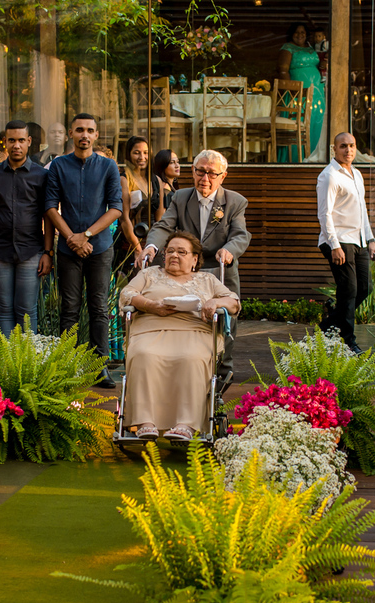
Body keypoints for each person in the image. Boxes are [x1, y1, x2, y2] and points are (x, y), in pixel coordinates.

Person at [119, 231, 240, 440]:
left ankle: (186, 425)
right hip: (150, 328)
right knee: (143, 355)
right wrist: (150, 305)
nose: (174, 255)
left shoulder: (207, 279)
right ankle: (145, 423)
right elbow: (127, 294)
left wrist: (215, 302)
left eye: (182, 252)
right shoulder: (149, 274)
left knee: (191, 358)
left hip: (195, 330)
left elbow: (234, 302)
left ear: (195, 259)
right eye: (170, 251)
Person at [142, 149, 250, 380]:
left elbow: (241, 235)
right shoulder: (180, 198)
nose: (205, 179)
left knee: (225, 316)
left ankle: (223, 369)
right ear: (193, 171)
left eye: (212, 174)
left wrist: (229, 250)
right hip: (187, 270)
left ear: (223, 176)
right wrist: (151, 246)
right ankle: (184, 364)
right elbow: (164, 226)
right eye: (200, 171)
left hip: (220, 265)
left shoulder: (235, 202)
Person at [45, 113, 123, 388]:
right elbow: (50, 207)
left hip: (100, 248)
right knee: (69, 309)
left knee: (99, 307)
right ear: (71, 133)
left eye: (90, 130)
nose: (84, 135)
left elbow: (116, 208)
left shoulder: (108, 166)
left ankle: (99, 367)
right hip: (68, 250)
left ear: (96, 135)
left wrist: (86, 235)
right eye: (79, 130)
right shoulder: (58, 166)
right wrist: (72, 239)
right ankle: (68, 366)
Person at [0, 120, 53, 336]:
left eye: (21, 140)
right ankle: (6, 364)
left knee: (27, 312)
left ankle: (28, 365)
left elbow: (48, 216)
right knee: (4, 310)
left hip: (31, 251)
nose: (16, 145)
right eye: (11, 140)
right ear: (5, 143)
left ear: (29, 142)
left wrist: (47, 252)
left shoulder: (41, 175)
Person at [316, 132, 374, 354]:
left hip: (358, 240)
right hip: (339, 240)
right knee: (349, 290)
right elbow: (325, 214)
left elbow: (363, 211)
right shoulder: (329, 176)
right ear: (334, 149)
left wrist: (370, 240)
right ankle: (348, 342)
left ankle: (330, 322)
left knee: (365, 288)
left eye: (352, 146)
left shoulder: (356, 174)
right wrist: (334, 245)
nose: (348, 150)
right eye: (343, 146)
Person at [278, 22, 326, 160]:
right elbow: (282, 70)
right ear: (291, 34)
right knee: (299, 125)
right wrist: (291, 90)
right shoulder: (287, 48)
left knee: (316, 123)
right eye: (297, 32)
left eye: (303, 32)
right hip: (297, 95)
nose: (300, 35)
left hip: (317, 94)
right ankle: (296, 158)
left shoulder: (311, 48)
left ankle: (313, 155)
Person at [118, 136, 163, 266]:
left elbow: (159, 217)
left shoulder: (156, 180)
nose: (142, 157)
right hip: (130, 241)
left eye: (145, 153)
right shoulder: (124, 179)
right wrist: (137, 248)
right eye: (136, 153)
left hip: (152, 242)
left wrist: (157, 244)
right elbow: (124, 218)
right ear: (129, 154)